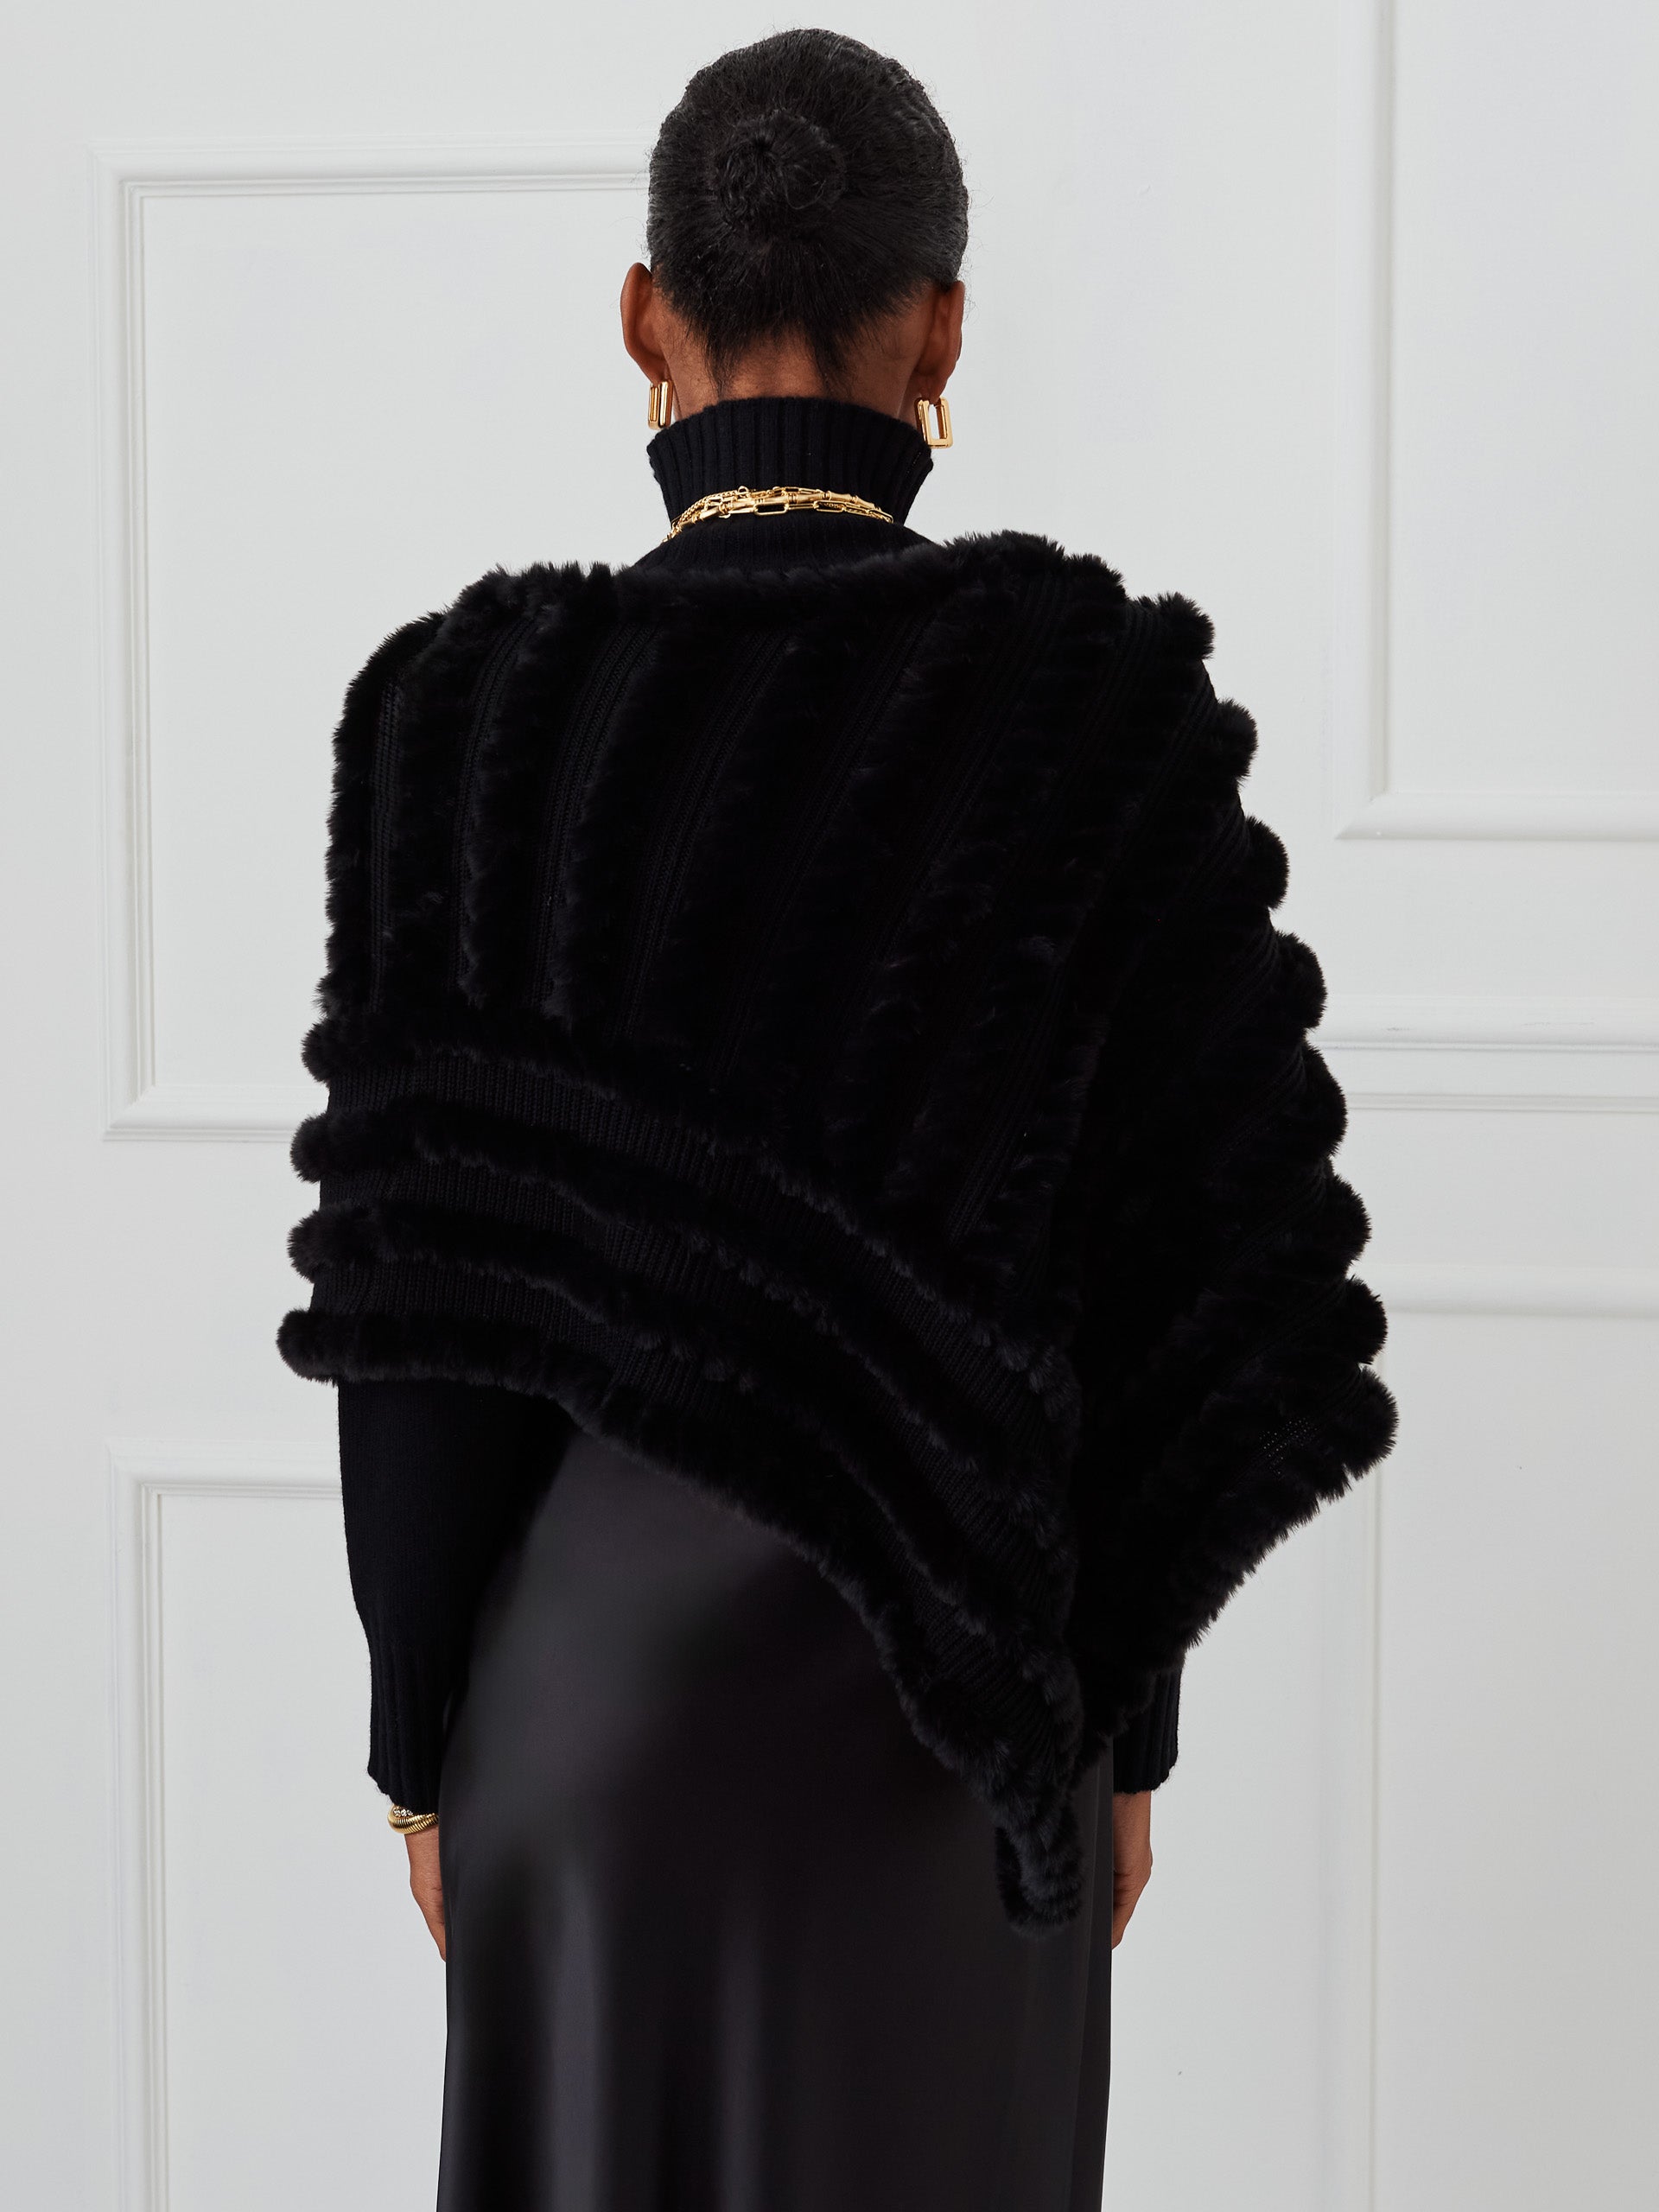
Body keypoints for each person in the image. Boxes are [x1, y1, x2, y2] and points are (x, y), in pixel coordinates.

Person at [278, 28, 1396, 2210]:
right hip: (961, 1713)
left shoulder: (466, 720)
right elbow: (1171, 1276)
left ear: (644, 315)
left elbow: (418, 1330)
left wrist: (425, 1750)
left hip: (588, 1711)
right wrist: (1121, 1725)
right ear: (942, 327)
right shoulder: (1089, 705)